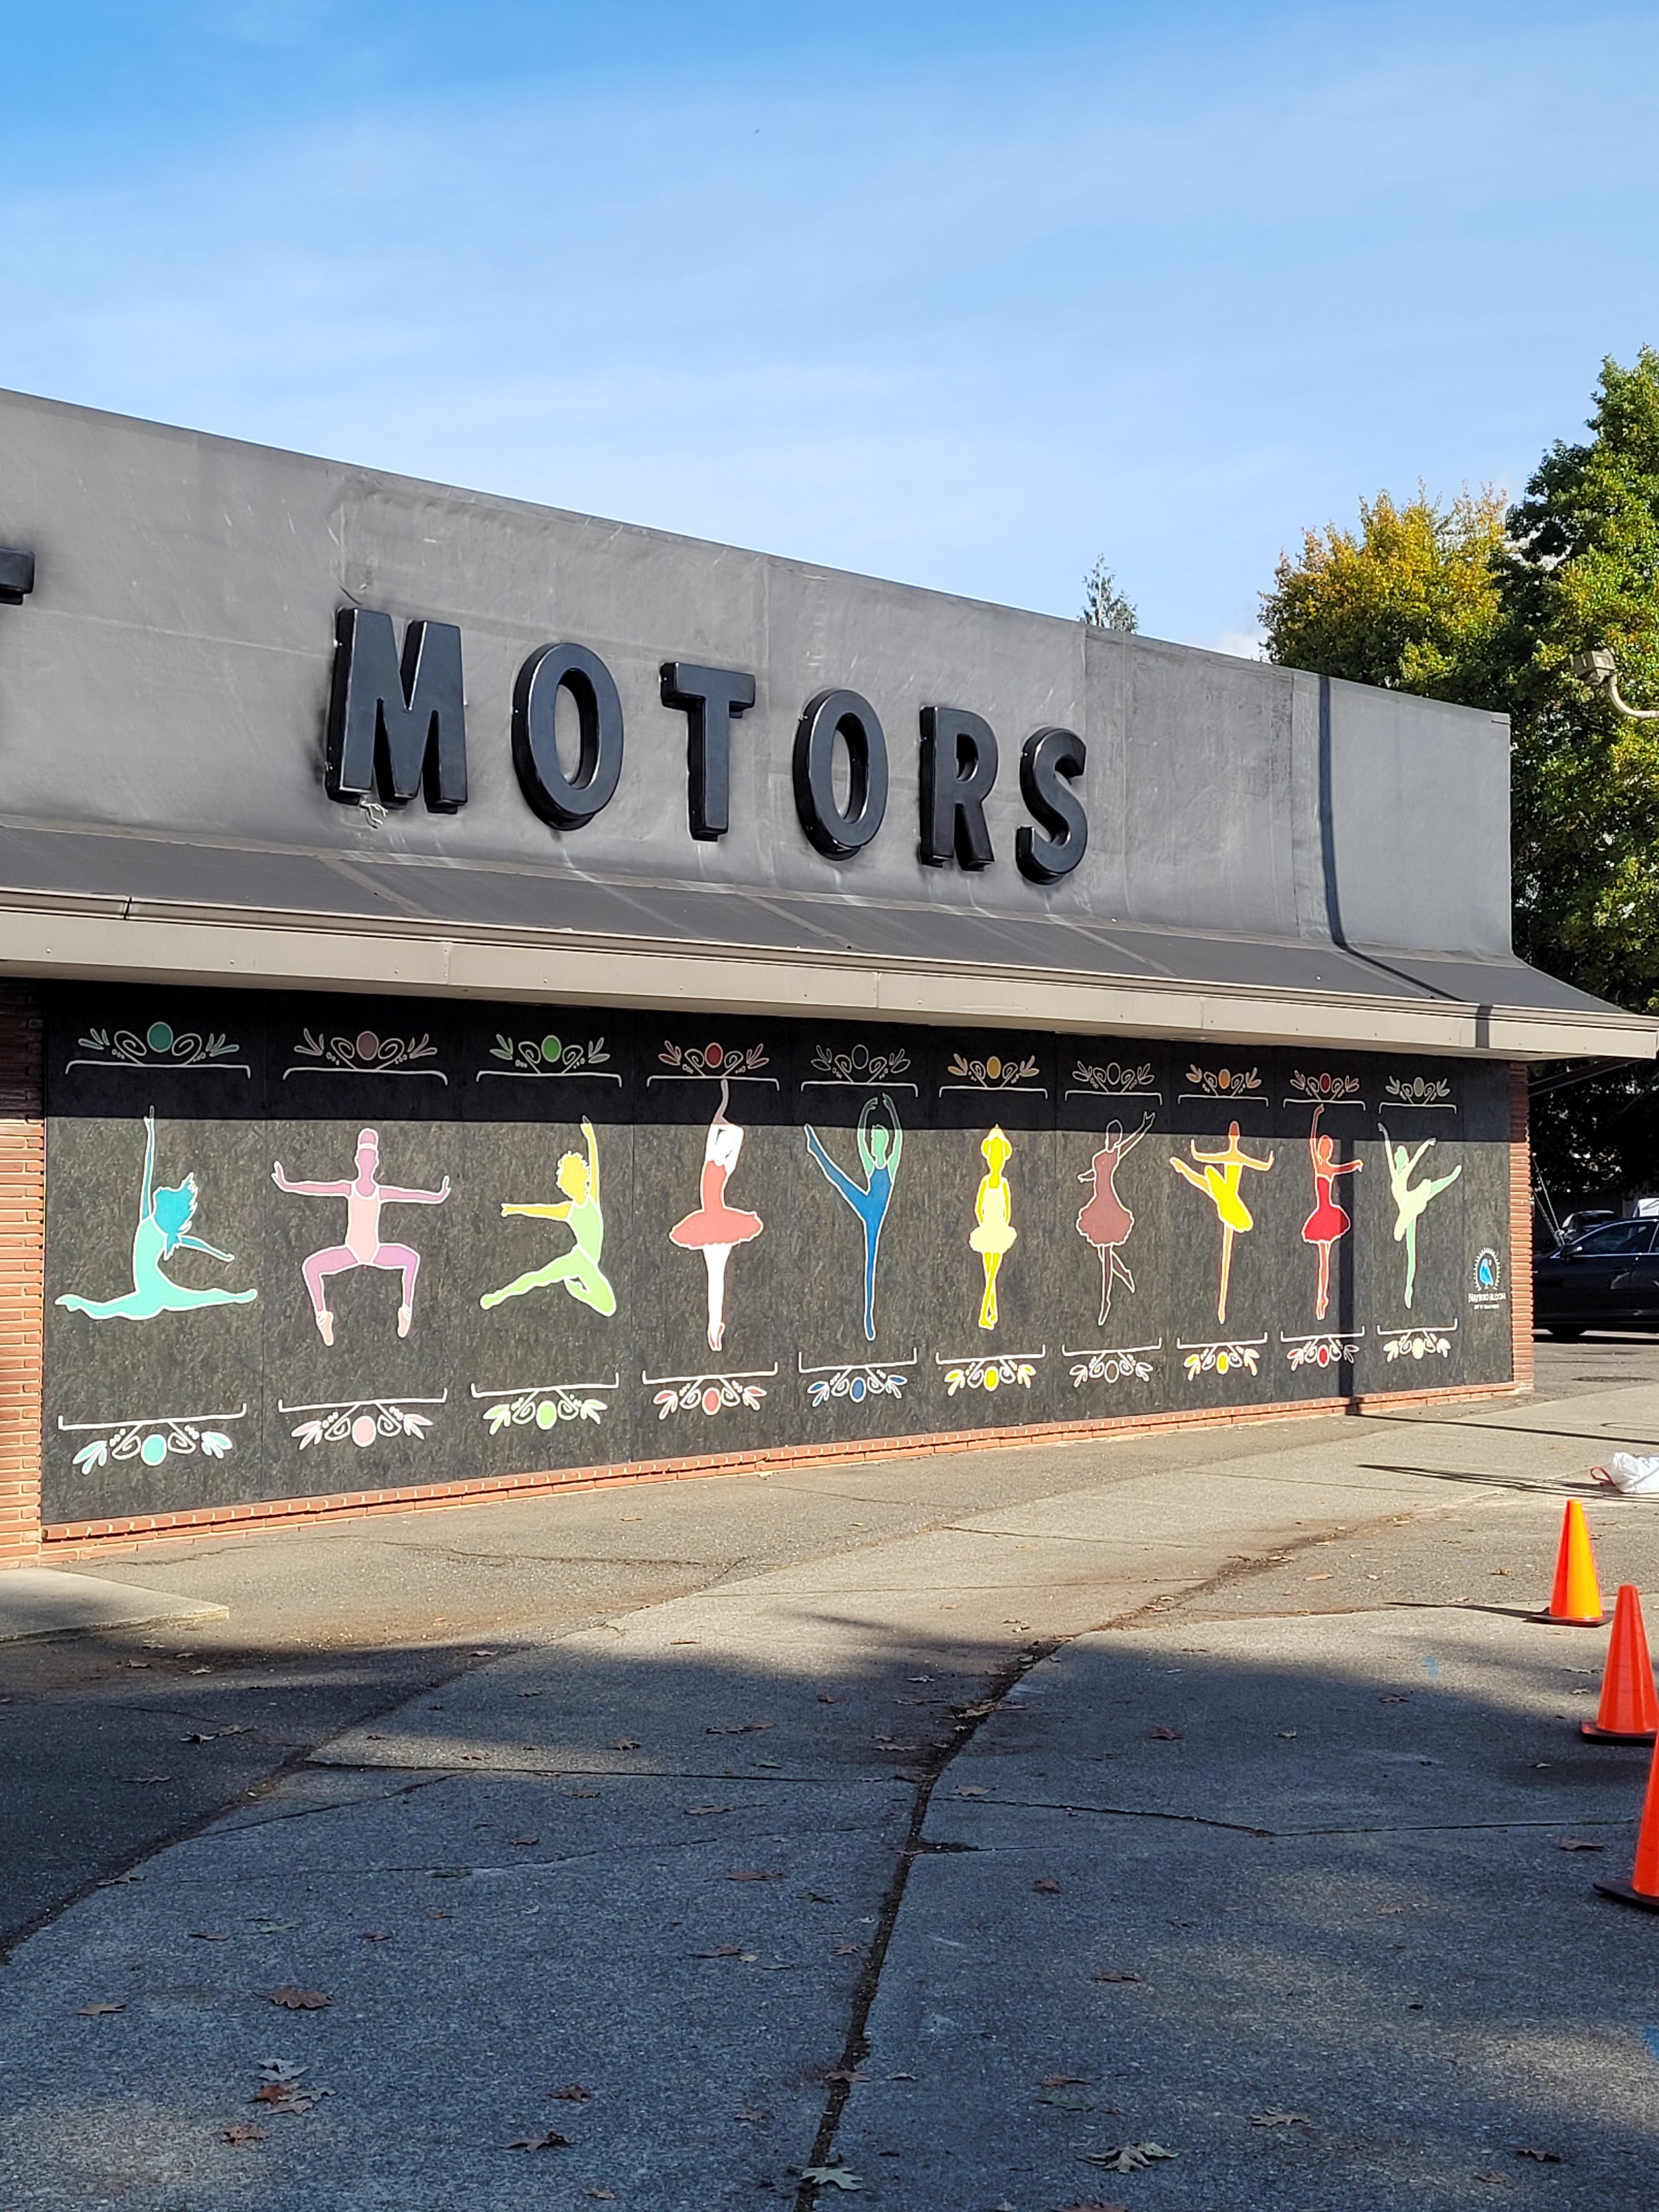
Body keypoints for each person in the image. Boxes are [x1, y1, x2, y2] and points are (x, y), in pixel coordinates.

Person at [58, 1109, 257, 1321]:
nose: (161, 1189)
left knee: (106, 1310)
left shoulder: (151, 1223)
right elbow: (148, 1168)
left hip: (150, 1295)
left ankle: (238, 1297)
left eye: (167, 1192)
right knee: (203, 1297)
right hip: (155, 1293)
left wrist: (220, 1254)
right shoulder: (152, 1222)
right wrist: (151, 1133)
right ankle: (237, 1297)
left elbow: (196, 1242)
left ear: (165, 1208)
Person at [272, 1128, 449, 1344]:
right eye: (364, 1158)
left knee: (412, 1259)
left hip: (375, 1252)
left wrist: (437, 1197)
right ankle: (322, 1317)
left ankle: (406, 1311)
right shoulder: (348, 1188)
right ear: (357, 1160)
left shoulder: (380, 1192)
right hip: (351, 1252)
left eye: (371, 1158)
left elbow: (410, 1195)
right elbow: (318, 1188)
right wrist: (288, 1185)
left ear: (376, 1163)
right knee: (310, 1267)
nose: (367, 1163)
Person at [480, 1117, 615, 1317]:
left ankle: (580, 1294)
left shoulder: (592, 1198)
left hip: (585, 1262)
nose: (572, 1189)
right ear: (567, 1187)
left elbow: (595, 1166)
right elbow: (540, 1210)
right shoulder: (569, 1210)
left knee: (609, 1307)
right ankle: (498, 1296)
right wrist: (514, 1209)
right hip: (581, 1259)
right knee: (538, 1278)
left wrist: (590, 1137)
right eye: (569, 1186)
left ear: (582, 1180)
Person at [670, 1080, 764, 1353]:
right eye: (722, 1141)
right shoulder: (712, 1155)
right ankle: (714, 1326)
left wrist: (731, 1132)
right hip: (710, 1220)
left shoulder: (724, 1163)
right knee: (715, 1274)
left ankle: (715, 1326)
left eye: (726, 1144)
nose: (723, 1144)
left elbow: (735, 1133)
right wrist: (724, 1097)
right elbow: (716, 1126)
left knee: (717, 1275)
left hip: (717, 1222)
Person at [804, 1094, 902, 1341]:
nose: (873, 1143)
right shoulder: (871, 1165)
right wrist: (864, 1116)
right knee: (838, 1179)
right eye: (873, 1140)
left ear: (884, 1142)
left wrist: (891, 1110)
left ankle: (869, 1319)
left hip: (874, 1212)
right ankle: (816, 1150)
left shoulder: (889, 1166)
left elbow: (899, 1139)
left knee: (871, 1263)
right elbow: (860, 1142)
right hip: (867, 1204)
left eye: (876, 1140)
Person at [1169, 1122, 1275, 1324]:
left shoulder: (1232, 1156)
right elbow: (1261, 1166)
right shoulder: (1236, 1157)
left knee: (1208, 1176)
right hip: (1229, 1201)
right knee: (1206, 1180)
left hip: (1230, 1202)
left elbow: (1203, 1158)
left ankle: (1222, 1304)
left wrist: (1194, 1151)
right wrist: (1268, 1162)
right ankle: (1221, 1305)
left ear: (1230, 1137)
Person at [1076, 1112, 1153, 1325]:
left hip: (1108, 1202)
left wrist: (1144, 1126)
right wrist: (1085, 1177)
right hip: (1098, 1201)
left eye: (1116, 1137)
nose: (1113, 1139)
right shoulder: (1099, 1156)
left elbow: (1132, 1143)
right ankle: (1125, 1274)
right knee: (1103, 1255)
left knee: (1106, 1255)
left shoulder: (1115, 1153)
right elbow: (1096, 1173)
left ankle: (1106, 1301)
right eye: (1111, 1136)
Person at [1380, 1120, 1461, 1309]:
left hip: (1411, 1207)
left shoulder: (1405, 1171)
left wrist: (1426, 1144)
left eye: (1403, 1159)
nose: (1402, 1162)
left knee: (1412, 1253)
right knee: (1403, 1236)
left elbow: (1416, 1157)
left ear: (1404, 1162)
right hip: (1406, 1211)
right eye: (1400, 1159)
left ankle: (1409, 1289)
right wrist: (1384, 1132)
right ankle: (1448, 1179)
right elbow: (1387, 1150)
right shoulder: (1395, 1174)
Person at [1301, 1104, 1362, 1321]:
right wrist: (1315, 1117)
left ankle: (1322, 1297)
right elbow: (1310, 1141)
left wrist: (1354, 1164)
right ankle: (1322, 1297)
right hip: (1323, 1214)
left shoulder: (1326, 1168)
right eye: (1323, 1147)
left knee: (1325, 1258)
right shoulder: (1320, 1166)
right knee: (1324, 1258)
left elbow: (1343, 1168)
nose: (1324, 1150)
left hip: (1327, 1213)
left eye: (1326, 1147)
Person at [970, 1126, 1017, 1331]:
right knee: (990, 1272)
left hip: (999, 1229)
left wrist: (1003, 1223)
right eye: (993, 1157)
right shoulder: (986, 1182)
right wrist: (984, 1221)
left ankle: (987, 1313)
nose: (996, 1161)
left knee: (993, 1272)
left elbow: (1008, 1209)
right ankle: (990, 1312)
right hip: (988, 1227)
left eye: (999, 1157)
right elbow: (978, 1206)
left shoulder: (1004, 1184)